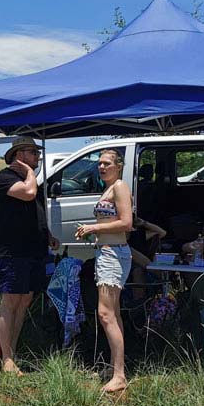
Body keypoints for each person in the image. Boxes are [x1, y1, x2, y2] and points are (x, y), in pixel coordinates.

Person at [0, 136, 59, 375]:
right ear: (20, 155)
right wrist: (30, 172)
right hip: (13, 252)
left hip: (34, 250)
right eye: (34, 153)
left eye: (38, 153)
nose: (38, 157)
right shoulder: (5, 178)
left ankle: (12, 350)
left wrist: (47, 234)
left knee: (25, 301)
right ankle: (6, 359)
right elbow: (28, 194)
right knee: (10, 302)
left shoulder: (30, 181)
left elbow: (35, 211)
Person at [74, 149, 134, 393]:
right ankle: (114, 367)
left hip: (114, 254)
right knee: (113, 314)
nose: (101, 167)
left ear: (118, 166)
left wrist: (93, 228)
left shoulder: (120, 186)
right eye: (99, 163)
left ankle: (119, 375)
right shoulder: (108, 189)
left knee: (105, 314)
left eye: (107, 163)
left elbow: (127, 223)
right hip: (106, 252)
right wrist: (92, 232)